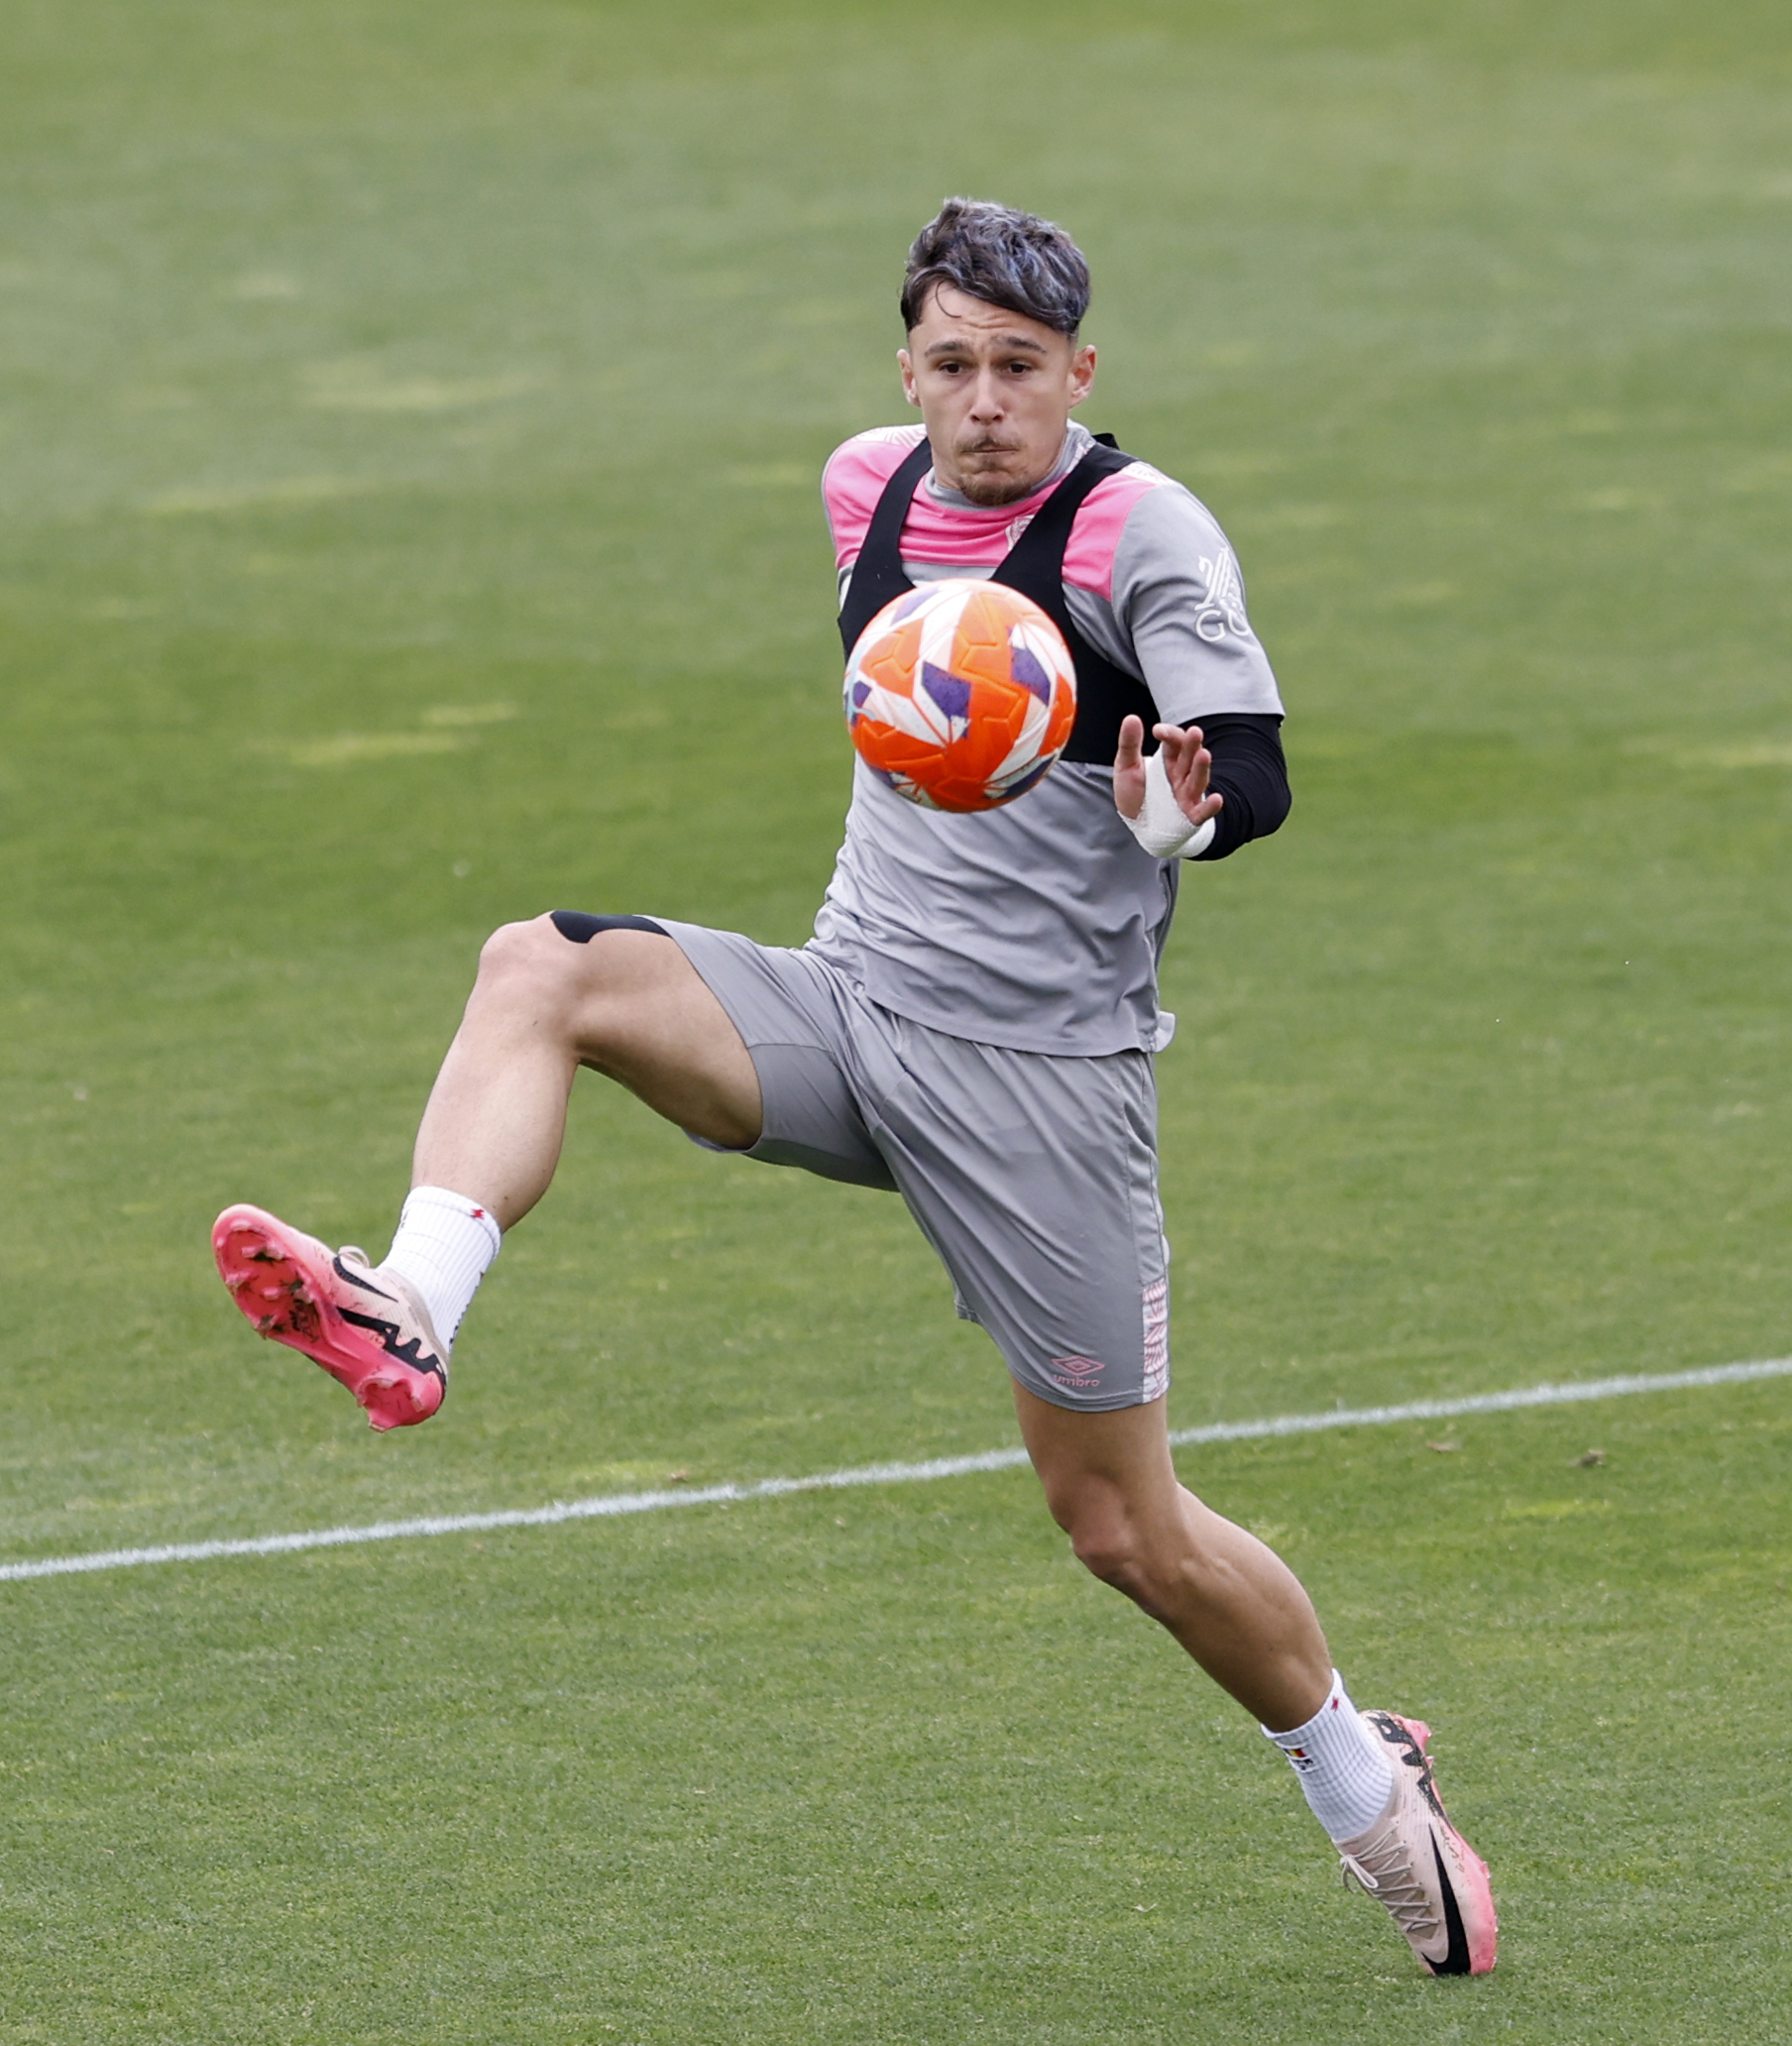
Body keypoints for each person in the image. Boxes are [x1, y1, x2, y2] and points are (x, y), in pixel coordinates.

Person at [211, 197, 1497, 1979]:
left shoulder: (1141, 532)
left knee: (1123, 1529)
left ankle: (1368, 1785)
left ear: (1081, 374)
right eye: (953, 365)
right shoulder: (864, 488)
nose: (985, 402)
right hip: (847, 1004)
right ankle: (409, 1300)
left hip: (1043, 1093)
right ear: (906, 368)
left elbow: (1255, 778)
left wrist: (1175, 813)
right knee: (543, 966)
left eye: (1021, 370)